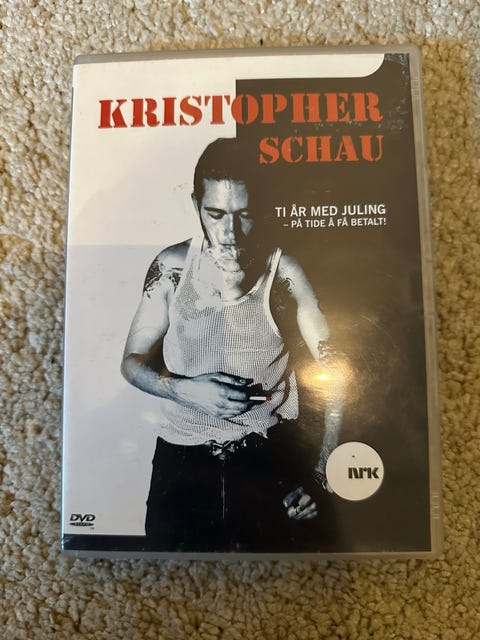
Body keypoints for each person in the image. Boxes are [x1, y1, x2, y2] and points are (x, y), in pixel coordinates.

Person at [121, 137, 344, 552]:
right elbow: (131, 363)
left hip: (267, 462)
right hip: (180, 464)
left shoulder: (284, 272)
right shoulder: (171, 267)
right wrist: (182, 389)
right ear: (196, 205)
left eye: (245, 215)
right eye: (216, 214)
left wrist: (320, 472)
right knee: (170, 581)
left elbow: (338, 371)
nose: (229, 232)